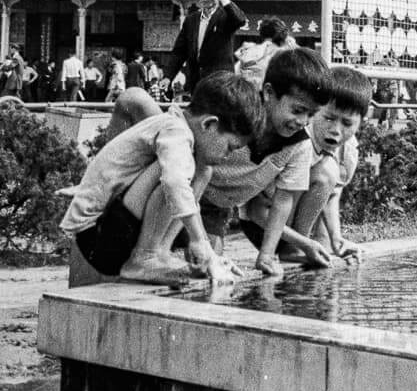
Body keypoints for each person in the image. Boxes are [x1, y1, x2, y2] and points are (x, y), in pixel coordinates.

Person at [59, 71, 258, 284]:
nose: (227, 157)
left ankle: (159, 252)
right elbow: (173, 182)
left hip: (113, 232)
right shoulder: (176, 131)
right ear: (209, 124)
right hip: (97, 240)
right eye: (230, 147)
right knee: (178, 171)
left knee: (203, 169)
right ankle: (145, 256)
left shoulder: (174, 127)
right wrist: (201, 242)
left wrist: (211, 256)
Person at [187, 46, 333, 277]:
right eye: (297, 110)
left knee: (209, 270)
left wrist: (266, 254)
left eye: (310, 115)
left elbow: (283, 201)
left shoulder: (298, 145)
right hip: (187, 189)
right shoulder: (236, 114)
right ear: (268, 92)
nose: (302, 121)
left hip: (216, 209)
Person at [244, 63, 368, 265]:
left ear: (361, 121)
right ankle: (294, 248)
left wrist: (337, 239)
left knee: (328, 172)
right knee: (326, 170)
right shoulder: (296, 141)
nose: (336, 130)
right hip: (263, 225)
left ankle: (304, 247)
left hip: (293, 225)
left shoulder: (349, 149)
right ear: (315, 111)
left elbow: (331, 194)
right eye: (328, 118)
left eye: (347, 123)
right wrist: (302, 243)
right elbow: (255, 211)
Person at [166, 0, 247, 93]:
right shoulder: (191, 20)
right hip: (196, 83)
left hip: (220, 84)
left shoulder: (225, 17)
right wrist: (168, 76)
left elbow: (240, 20)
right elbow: (179, 52)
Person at [235, 18, 288, 92]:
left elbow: (236, 73)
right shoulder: (283, 55)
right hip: (270, 95)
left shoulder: (247, 50)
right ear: (283, 36)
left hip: (246, 94)